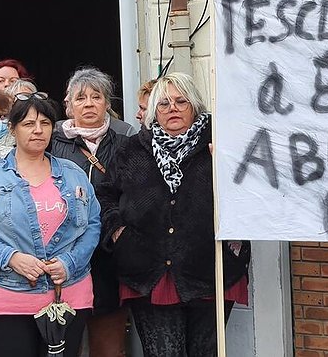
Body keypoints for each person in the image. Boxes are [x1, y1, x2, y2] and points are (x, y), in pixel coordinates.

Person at [98, 72, 249, 357]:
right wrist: (118, 233)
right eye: (164, 104)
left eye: (181, 102)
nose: (173, 109)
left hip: (210, 267)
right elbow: (106, 195)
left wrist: (227, 166)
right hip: (149, 271)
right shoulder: (131, 150)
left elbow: (251, 191)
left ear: (195, 105)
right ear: (153, 111)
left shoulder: (222, 144)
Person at [0, 92, 100, 357]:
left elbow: (92, 226)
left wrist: (70, 263)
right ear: (12, 129)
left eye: (45, 123)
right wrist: (10, 258)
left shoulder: (73, 173)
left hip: (68, 294)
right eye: (28, 124)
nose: (38, 130)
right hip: (5, 295)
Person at [49, 68, 137, 357]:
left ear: (107, 103)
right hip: (62, 251)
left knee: (108, 345)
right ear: (68, 105)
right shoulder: (51, 138)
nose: (88, 104)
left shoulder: (126, 138)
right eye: (80, 98)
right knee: (60, 341)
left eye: (96, 97)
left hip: (109, 253)